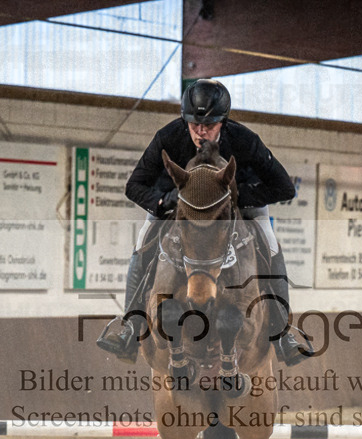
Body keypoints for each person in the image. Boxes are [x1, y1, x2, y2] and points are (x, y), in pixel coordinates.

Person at [97, 78, 309, 366]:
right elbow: (134, 185)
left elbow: (285, 187)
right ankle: (130, 326)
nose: (201, 132)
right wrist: (165, 200)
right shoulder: (169, 136)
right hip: (178, 207)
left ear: (224, 121)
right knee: (142, 243)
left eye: (209, 125)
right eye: (194, 124)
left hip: (236, 207)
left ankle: (283, 333)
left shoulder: (244, 139)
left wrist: (234, 195)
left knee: (271, 246)